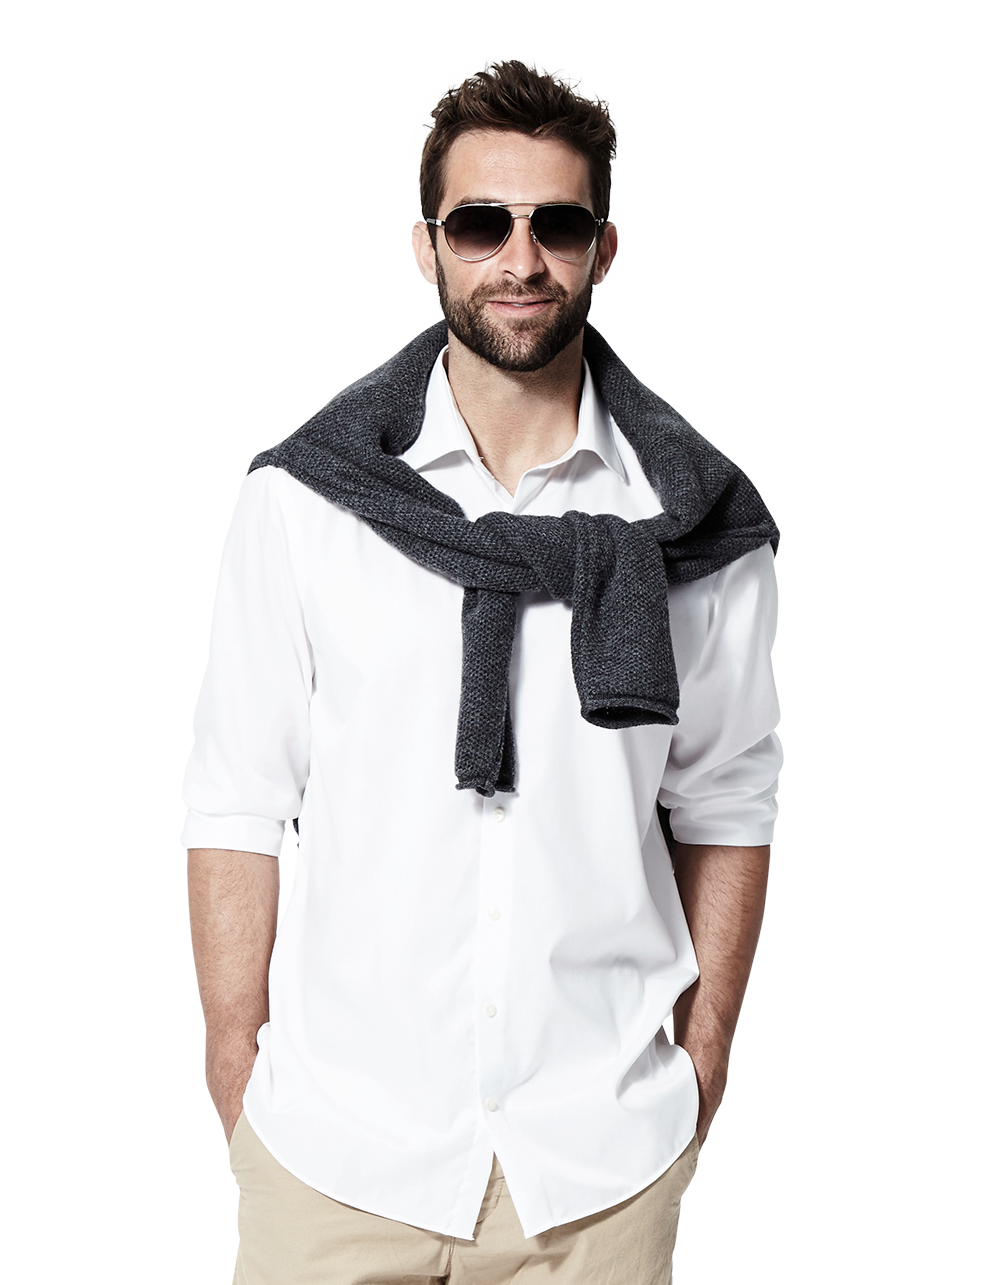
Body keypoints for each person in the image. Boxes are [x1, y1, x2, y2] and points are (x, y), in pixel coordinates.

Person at [184, 60, 782, 1285]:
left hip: (600, 1157)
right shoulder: (305, 504)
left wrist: (706, 1048)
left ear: (602, 247)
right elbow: (239, 799)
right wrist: (237, 1065)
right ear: (426, 246)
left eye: (555, 224)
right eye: (480, 224)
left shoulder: (698, 525)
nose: (520, 259)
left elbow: (725, 800)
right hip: (336, 1151)